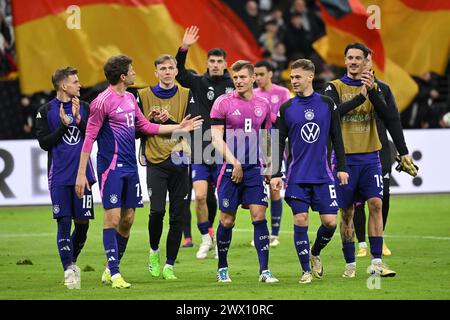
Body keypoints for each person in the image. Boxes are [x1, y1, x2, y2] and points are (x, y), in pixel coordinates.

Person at [75, 55, 202, 289]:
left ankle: (108, 268)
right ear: (123, 76)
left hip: (131, 167)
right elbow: (89, 138)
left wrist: (178, 126)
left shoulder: (131, 99)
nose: (135, 73)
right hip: (110, 168)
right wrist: (82, 173)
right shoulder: (101, 102)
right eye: (131, 70)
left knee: (128, 219)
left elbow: (146, 127)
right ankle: (114, 273)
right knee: (112, 219)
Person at [324, 43, 404, 278]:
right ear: (345, 60)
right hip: (345, 160)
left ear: (367, 61)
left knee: (376, 204)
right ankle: (350, 263)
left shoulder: (379, 89)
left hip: (371, 157)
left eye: (359, 58)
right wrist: (359, 98)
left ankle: (377, 262)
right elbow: (332, 114)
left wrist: (372, 93)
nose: (354, 62)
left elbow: (391, 118)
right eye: (350, 57)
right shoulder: (334, 87)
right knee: (347, 212)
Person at [271, 59, 348, 284]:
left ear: (310, 77)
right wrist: (276, 173)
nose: (293, 81)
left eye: (297, 77)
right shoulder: (287, 109)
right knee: (301, 219)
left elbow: (337, 137)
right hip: (297, 177)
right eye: (291, 77)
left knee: (330, 222)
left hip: (323, 175)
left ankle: (315, 252)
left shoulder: (326, 104)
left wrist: (342, 167)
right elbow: (277, 142)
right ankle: (305, 270)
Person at [210, 60, 278, 283]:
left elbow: (268, 137)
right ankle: (222, 268)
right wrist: (234, 162)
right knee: (227, 221)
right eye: (235, 77)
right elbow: (215, 137)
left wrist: (270, 167)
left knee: (259, 216)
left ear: (252, 79)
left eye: (242, 77)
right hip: (228, 169)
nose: (238, 81)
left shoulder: (264, 104)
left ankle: (265, 271)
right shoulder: (223, 102)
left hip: (254, 169)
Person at [175, 26, 234, 260]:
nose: (216, 64)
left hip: (225, 148)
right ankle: (205, 238)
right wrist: (184, 48)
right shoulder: (199, 83)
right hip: (200, 146)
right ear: (208, 62)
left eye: (220, 61)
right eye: (212, 61)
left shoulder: (234, 84)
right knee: (199, 196)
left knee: (224, 198)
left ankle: (220, 239)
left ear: (225, 62)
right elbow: (179, 73)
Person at [36, 67, 96, 289]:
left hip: (84, 177)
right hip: (59, 177)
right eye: (75, 82)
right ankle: (69, 269)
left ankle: (71, 261)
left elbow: (92, 136)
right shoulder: (45, 110)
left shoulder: (86, 107)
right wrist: (63, 126)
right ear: (63, 86)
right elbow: (44, 144)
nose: (79, 85)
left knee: (82, 226)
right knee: (63, 223)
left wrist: (79, 120)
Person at [136, 54, 192, 280]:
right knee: (157, 211)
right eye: (163, 68)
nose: (167, 72)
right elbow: (136, 131)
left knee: (177, 216)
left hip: (180, 158)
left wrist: (168, 121)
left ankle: (170, 264)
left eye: (171, 68)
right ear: (156, 72)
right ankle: (154, 252)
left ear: (176, 71)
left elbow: (192, 128)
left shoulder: (187, 94)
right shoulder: (143, 95)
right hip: (155, 159)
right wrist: (149, 122)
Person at [353, 53, 413, 257]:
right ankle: (361, 243)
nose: (363, 63)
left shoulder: (384, 89)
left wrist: (403, 151)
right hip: (355, 149)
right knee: (357, 199)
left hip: (380, 151)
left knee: (382, 196)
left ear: (370, 63)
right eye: (359, 59)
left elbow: (392, 120)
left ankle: (380, 237)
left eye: (367, 60)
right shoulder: (345, 88)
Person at [253, 60, 291, 247]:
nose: (258, 78)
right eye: (256, 75)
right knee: (258, 191)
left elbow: (287, 118)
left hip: (275, 143)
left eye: (261, 74)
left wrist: (269, 115)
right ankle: (261, 233)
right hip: (256, 144)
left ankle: (274, 234)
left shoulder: (282, 93)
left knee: (274, 189)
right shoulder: (253, 94)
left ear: (270, 74)